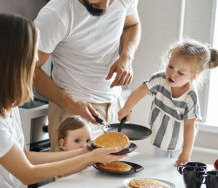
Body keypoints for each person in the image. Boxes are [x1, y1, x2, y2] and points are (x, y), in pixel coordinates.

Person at [0, 13, 126, 188]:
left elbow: (27, 157)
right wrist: (90, 158)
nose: (37, 59)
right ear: (12, 60)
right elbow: (27, 174)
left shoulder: (6, 105)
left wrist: (85, 152)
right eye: (32, 51)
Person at [33, 0, 141, 151]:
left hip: (115, 108)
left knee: (117, 172)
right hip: (72, 112)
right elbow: (29, 70)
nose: (105, 6)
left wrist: (127, 56)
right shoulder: (56, 13)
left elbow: (132, 24)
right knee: (72, 175)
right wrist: (72, 105)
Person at [118, 39, 218, 166]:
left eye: (180, 73)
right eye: (170, 66)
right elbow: (141, 90)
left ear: (193, 76)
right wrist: (127, 107)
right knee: (158, 164)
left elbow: (189, 126)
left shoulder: (190, 96)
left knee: (174, 167)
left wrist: (186, 153)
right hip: (160, 135)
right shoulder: (161, 79)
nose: (172, 73)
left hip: (180, 141)